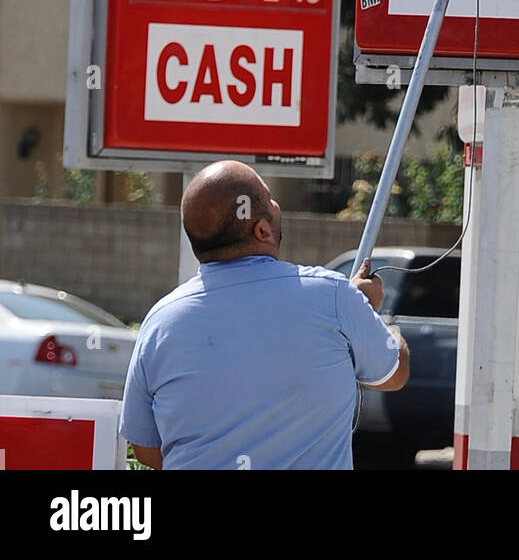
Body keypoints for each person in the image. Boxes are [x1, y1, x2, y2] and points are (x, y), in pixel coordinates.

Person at [120, 160, 409, 470]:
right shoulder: (334, 297)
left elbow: (146, 449)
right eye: (269, 198)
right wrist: (367, 310)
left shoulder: (160, 321)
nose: (275, 204)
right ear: (262, 229)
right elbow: (394, 372)